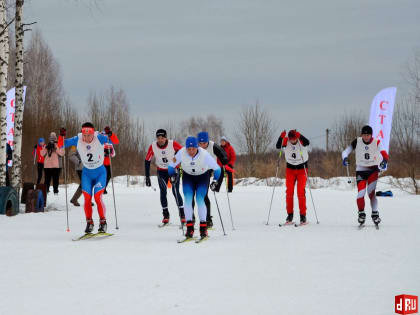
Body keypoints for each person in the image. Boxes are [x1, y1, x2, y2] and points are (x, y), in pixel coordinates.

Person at [58, 123, 118, 234]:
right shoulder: (78, 138)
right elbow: (62, 144)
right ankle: (89, 222)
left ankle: (103, 222)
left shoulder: (98, 137)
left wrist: (110, 134)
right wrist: (61, 136)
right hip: (87, 174)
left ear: (92, 133)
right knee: (87, 199)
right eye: (84, 135)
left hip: (100, 173)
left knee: (97, 197)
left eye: (88, 135)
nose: (86, 138)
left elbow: (115, 141)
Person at [168, 136, 221, 240]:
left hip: (202, 177)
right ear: (186, 148)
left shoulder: (204, 154)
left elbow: (217, 169)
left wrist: (215, 181)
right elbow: (171, 166)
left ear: (197, 147)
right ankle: (189, 228)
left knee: (200, 199)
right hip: (188, 177)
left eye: (193, 149)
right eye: (189, 149)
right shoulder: (181, 152)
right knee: (187, 199)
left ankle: (203, 228)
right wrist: (172, 175)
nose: (191, 151)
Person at [341, 125, 389, 226]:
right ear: (361, 135)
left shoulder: (376, 142)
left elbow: (385, 154)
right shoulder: (357, 141)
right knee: (360, 193)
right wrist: (345, 159)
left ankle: (375, 214)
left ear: (371, 135)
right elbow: (345, 152)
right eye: (364, 135)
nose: (366, 137)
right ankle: (361, 213)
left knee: (371, 193)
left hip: (373, 171)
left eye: (368, 135)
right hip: (361, 171)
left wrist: (384, 161)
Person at [145, 129, 185, 226]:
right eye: (158, 138)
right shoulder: (153, 146)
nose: (160, 140)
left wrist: (178, 160)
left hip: (173, 170)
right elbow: (147, 160)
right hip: (161, 171)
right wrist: (147, 176)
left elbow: (183, 152)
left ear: (165, 137)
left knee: (175, 192)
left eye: (162, 138)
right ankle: (166, 215)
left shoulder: (172, 144)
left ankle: (182, 215)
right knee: (163, 192)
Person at [276, 129, 310, 225]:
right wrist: (281, 137)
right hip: (290, 169)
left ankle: (303, 216)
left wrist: (299, 134)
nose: (293, 141)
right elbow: (278, 146)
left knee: (300, 191)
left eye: (294, 139)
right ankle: (290, 215)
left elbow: (308, 142)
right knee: (289, 192)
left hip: (302, 169)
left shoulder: (300, 140)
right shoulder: (286, 140)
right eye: (291, 139)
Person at [196, 131, 228, 227]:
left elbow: (222, 153)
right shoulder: (195, 147)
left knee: (204, 194)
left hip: (212, 168)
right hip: (201, 171)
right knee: (203, 195)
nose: (202, 146)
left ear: (207, 141)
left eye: (204, 143)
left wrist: (224, 159)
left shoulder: (213, 145)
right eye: (200, 144)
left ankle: (208, 219)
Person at [102, 126, 119, 194]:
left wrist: (109, 154)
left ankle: (104, 188)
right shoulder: (101, 139)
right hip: (101, 163)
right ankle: (101, 188)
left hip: (108, 163)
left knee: (108, 176)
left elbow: (114, 154)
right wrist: (103, 153)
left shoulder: (110, 142)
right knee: (103, 176)